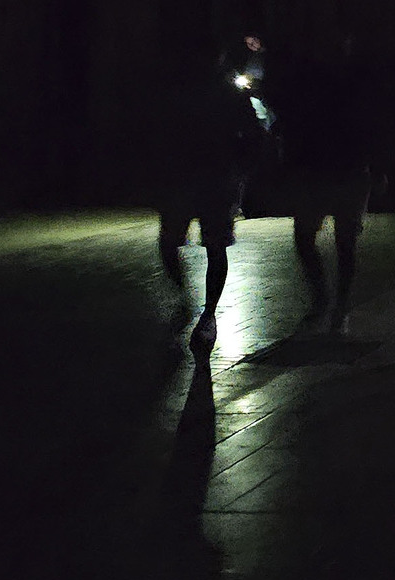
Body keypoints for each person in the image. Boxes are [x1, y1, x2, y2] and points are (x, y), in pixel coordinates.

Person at [157, 42, 265, 352]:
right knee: (196, 244)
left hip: (210, 177)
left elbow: (253, 136)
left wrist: (239, 169)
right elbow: (255, 136)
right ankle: (201, 309)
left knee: (204, 244)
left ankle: (205, 311)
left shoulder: (215, 92)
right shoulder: (212, 91)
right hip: (203, 177)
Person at [271, 36, 373, 332]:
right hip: (333, 170)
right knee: (334, 242)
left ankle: (330, 300)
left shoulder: (327, 87)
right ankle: (333, 301)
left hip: (335, 170)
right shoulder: (336, 86)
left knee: (326, 241)